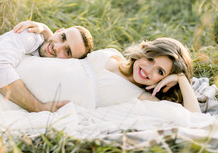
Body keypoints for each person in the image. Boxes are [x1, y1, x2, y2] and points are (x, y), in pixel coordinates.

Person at [20, 22, 200, 112]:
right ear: (147, 51)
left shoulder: (144, 98)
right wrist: (45, 31)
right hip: (35, 68)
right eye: (151, 59)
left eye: (160, 72)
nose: (148, 70)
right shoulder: (112, 54)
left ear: (165, 81)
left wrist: (181, 79)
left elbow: (194, 118)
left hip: (45, 94)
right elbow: (67, 53)